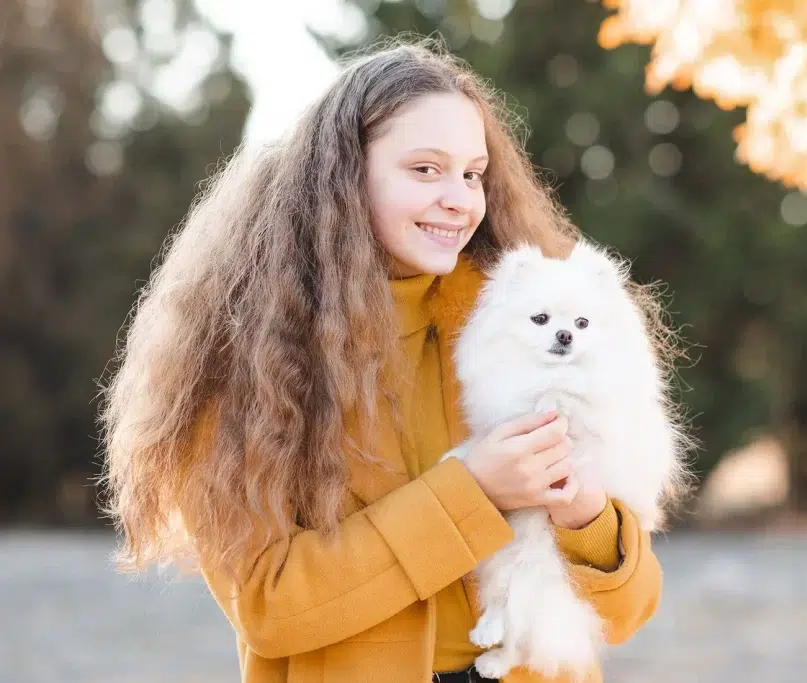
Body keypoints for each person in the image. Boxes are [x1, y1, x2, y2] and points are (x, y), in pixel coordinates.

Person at [99, 38, 664, 683]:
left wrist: (587, 518)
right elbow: (270, 609)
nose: (460, 199)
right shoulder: (245, 359)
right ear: (342, 179)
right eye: (425, 169)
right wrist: (471, 492)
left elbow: (629, 611)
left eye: (473, 173)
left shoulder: (518, 328)